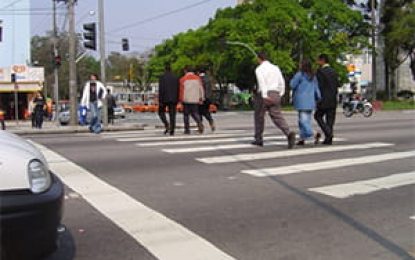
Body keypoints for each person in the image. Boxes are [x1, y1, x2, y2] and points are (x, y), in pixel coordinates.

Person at [253, 52, 296, 148]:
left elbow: (262, 82)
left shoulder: (259, 69)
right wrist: (281, 93)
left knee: (259, 116)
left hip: (264, 94)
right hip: (276, 93)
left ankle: (258, 138)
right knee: (277, 116)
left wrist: (264, 95)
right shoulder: (276, 68)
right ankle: (288, 133)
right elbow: (281, 82)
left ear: (259, 59)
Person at [290, 59, 321, 145]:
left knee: (303, 121)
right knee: (305, 120)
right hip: (311, 101)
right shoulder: (313, 76)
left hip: (301, 101)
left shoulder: (300, 75)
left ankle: (314, 133)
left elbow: (292, 85)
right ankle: (302, 138)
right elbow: (316, 88)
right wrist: (318, 97)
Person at [315, 54, 340, 145]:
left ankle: (328, 133)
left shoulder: (320, 71)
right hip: (333, 98)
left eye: (318, 60)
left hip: (323, 99)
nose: (317, 62)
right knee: (330, 120)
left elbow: (319, 86)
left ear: (322, 60)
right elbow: (338, 84)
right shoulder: (334, 71)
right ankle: (328, 139)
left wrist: (317, 98)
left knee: (317, 116)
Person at [179, 67, 204, 134]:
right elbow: (201, 89)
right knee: (195, 113)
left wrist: (180, 100)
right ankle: (199, 122)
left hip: (186, 99)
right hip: (195, 98)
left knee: (186, 115)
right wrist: (201, 98)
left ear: (185, 71)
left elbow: (181, 90)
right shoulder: (198, 78)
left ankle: (187, 129)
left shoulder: (182, 79)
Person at [158, 64, 179, 135]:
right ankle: (172, 130)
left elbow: (161, 89)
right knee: (172, 114)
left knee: (161, 112)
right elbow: (177, 89)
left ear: (165, 69)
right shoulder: (176, 77)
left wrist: (160, 100)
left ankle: (167, 124)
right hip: (173, 98)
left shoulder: (162, 77)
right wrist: (177, 98)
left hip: (164, 98)